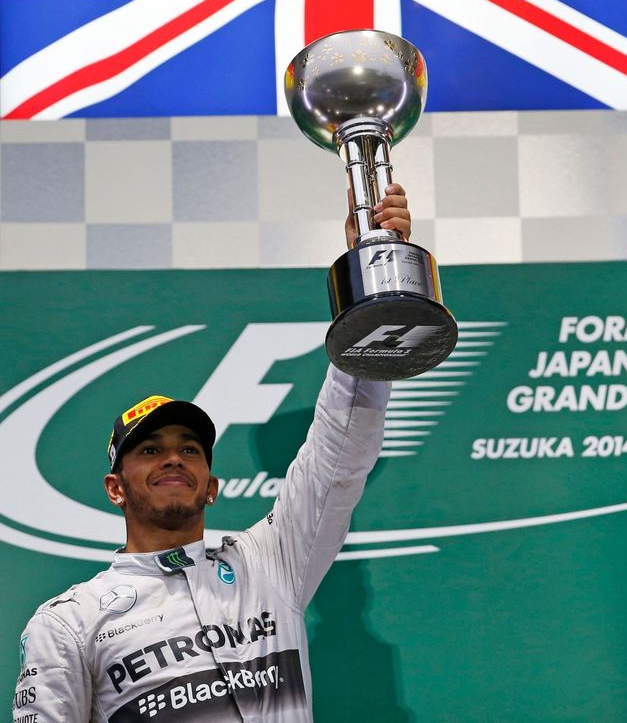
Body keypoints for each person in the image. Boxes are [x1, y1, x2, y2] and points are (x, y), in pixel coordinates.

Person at [13, 186, 412, 723]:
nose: (173, 459)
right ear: (115, 487)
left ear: (211, 484)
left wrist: (368, 286)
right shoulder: (69, 622)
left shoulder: (270, 564)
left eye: (190, 449)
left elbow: (340, 452)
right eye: (150, 449)